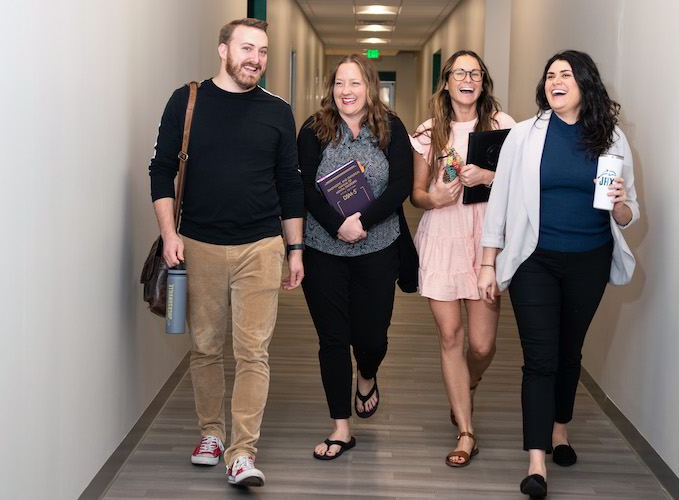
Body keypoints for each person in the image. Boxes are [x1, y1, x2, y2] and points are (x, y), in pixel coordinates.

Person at [147, 18, 304, 488]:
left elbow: (290, 184)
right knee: (206, 346)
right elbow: (159, 170)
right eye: (247, 48)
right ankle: (211, 434)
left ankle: (242, 451)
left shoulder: (278, 111)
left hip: (261, 246)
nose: (255, 58)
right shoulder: (187, 100)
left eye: (263, 51)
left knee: (254, 351)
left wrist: (294, 249)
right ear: (223, 50)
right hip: (198, 244)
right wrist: (169, 234)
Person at [477, 50, 640, 499]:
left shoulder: (611, 138)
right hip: (535, 260)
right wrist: (489, 263)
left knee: (570, 351)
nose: (556, 81)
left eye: (566, 74)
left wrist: (622, 202)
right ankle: (535, 462)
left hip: (590, 258)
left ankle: (560, 431)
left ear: (585, 84)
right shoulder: (524, 136)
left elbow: (627, 214)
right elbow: (501, 203)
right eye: (550, 75)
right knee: (540, 357)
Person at [296, 53, 412, 460]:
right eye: (340, 83)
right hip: (323, 249)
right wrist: (337, 225)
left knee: (371, 337)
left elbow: (402, 184)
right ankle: (340, 428)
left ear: (370, 87)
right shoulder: (313, 130)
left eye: (355, 83)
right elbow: (305, 189)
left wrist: (362, 221)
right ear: (332, 89)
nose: (347, 91)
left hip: (378, 248)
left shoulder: (391, 128)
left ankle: (367, 373)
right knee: (332, 339)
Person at [409, 50, 515, 468]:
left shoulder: (503, 126)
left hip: (486, 240)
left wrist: (489, 177)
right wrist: (432, 198)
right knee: (451, 337)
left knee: (482, 344)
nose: (467, 79)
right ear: (447, 81)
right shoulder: (429, 131)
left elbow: (524, 181)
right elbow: (417, 194)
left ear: (483, 81)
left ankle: (466, 385)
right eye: (459, 72)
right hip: (444, 237)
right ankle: (466, 432)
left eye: (475, 72)